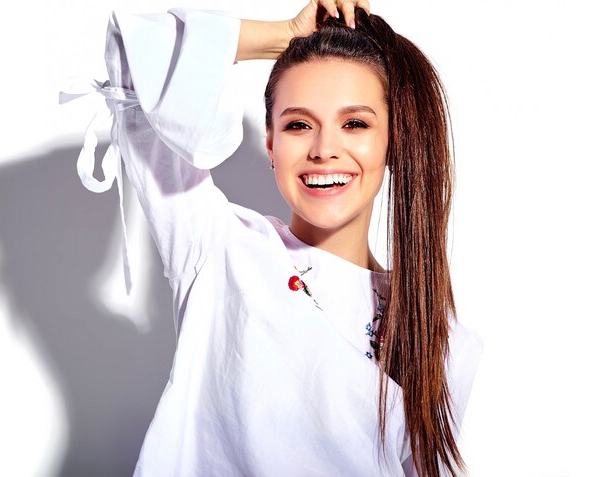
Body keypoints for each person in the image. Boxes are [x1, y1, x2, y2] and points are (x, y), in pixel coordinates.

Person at [65, 1, 482, 475]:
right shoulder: (220, 250)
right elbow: (132, 47)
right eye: (299, 124)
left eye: (355, 124)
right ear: (271, 142)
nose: (325, 149)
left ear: (393, 140)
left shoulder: (436, 334)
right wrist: (281, 37)